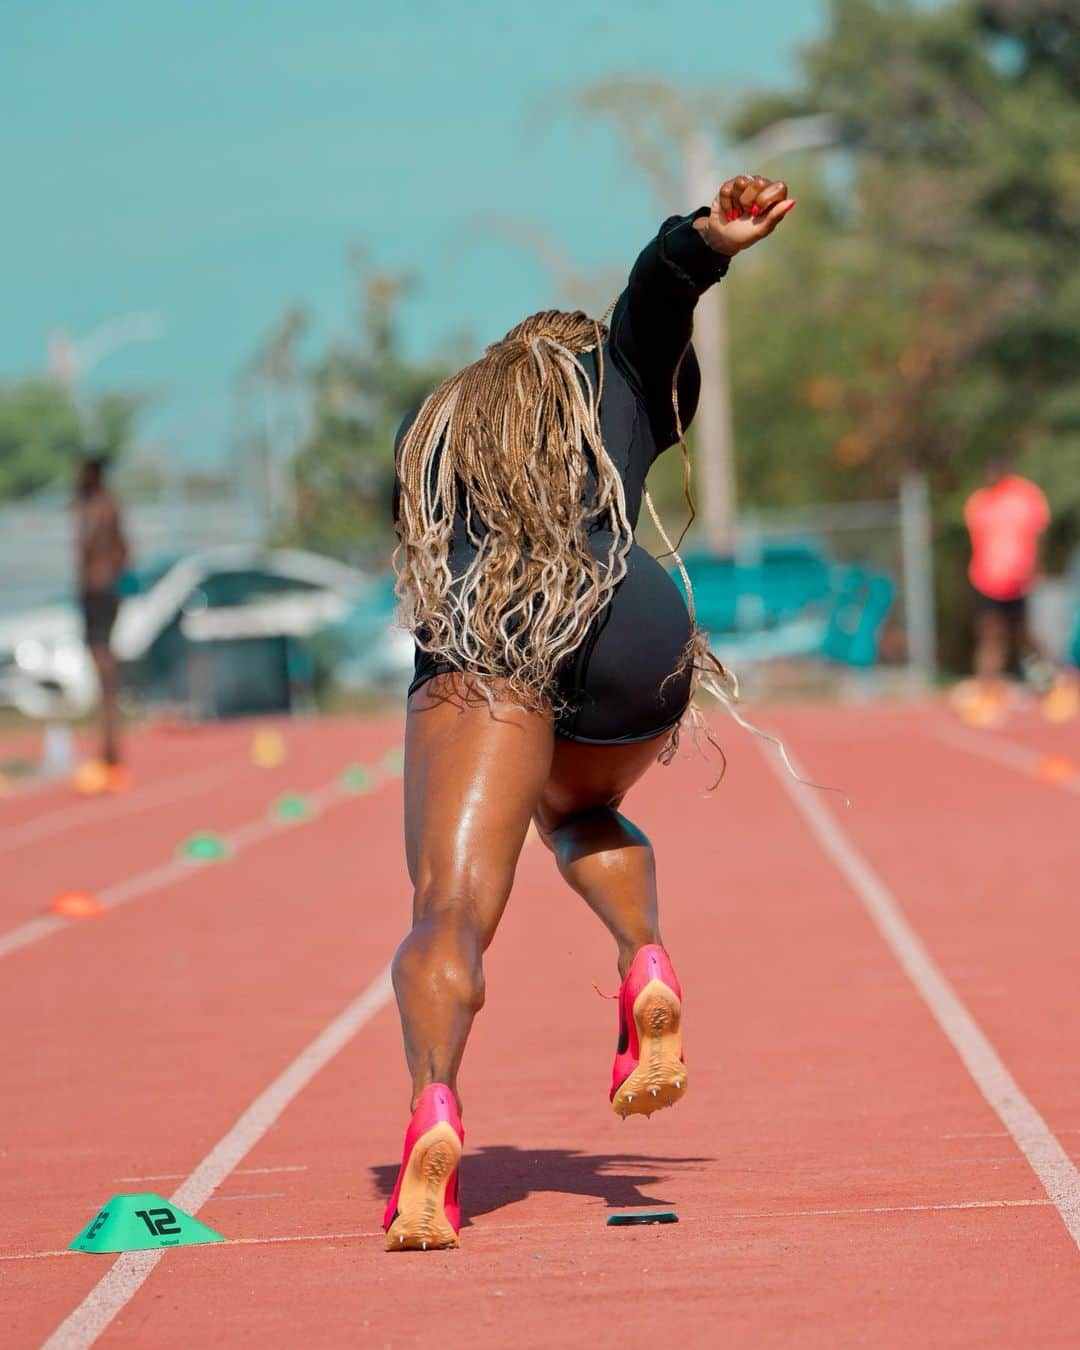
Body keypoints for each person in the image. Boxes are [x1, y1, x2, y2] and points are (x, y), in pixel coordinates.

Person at [382, 175, 796, 1251]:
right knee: (574, 809)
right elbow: (654, 298)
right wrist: (707, 241)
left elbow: (421, 554)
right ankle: (643, 958)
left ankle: (434, 1106)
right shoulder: (614, 383)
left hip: (499, 637)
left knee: (449, 908)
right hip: (636, 629)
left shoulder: (437, 430)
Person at [963, 459, 1053, 700]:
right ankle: (986, 690)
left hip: (1019, 581)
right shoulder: (978, 502)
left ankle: (1048, 681)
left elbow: (1039, 533)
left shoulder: (1025, 495)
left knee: (1024, 635)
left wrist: (1035, 567)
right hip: (986, 580)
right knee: (990, 635)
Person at [73, 454, 131, 793]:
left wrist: (110, 576)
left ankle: (110, 747)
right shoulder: (99, 505)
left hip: (99, 591)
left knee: (104, 667)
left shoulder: (100, 507)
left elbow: (114, 547)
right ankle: (108, 744)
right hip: (99, 590)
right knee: (102, 669)